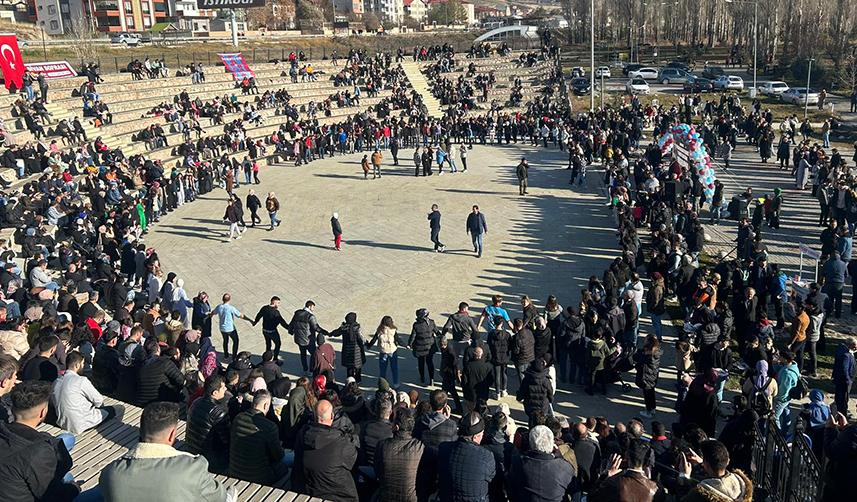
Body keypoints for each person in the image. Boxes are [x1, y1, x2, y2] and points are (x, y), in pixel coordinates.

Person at [98, 401, 231, 501]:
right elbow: (221, 498)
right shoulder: (193, 468)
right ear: (172, 434)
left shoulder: (110, 473)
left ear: (141, 430)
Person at [0, 380, 79, 502]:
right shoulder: (39, 451)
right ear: (43, 412)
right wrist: (74, 488)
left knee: (68, 438)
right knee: (97, 490)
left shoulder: (3, 426)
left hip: (12, 478)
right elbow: (52, 497)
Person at [292, 399, 359, 502]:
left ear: (314, 416)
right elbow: (353, 461)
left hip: (305, 490)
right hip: (339, 496)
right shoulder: (341, 442)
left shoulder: (302, 434)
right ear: (332, 416)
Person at [52, 352, 122, 433]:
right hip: (82, 424)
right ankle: (112, 432)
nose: (83, 366)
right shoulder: (81, 380)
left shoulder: (56, 382)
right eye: (83, 364)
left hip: (63, 424)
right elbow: (99, 400)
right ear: (77, 365)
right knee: (119, 408)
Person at [228, 390, 288, 485]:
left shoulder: (238, 418)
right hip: (259, 477)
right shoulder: (269, 427)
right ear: (266, 405)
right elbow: (278, 456)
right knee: (290, 460)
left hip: (235, 470)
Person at [437, 411, 496, 502]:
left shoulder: (444, 448)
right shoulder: (487, 456)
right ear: (475, 437)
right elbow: (492, 477)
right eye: (482, 433)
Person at [509, 425, 575, 502]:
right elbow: (574, 491)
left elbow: (511, 490)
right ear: (552, 444)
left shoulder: (518, 464)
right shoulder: (565, 467)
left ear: (530, 444)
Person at [375, 407, 425, 502]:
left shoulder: (382, 445)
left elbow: (378, 471)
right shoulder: (419, 447)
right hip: (410, 498)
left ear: (396, 427)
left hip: (385, 497)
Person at [677, 439, 753, 502]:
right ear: (728, 461)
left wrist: (683, 476)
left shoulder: (699, 495)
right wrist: (702, 463)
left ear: (707, 464)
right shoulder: (743, 485)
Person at [185, 374, 231, 474]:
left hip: (192, 448)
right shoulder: (218, 412)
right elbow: (227, 439)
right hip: (209, 458)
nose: (226, 389)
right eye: (223, 388)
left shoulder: (196, 402)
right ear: (215, 393)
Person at [590, 439, 661, 502]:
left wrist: (606, 475)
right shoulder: (656, 489)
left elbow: (592, 498)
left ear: (626, 455)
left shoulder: (615, 483)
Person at [210, 293, 252, 362]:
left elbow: (213, 312)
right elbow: (241, 315)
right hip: (230, 329)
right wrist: (250, 320)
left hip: (222, 328)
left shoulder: (219, 307)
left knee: (225, 340)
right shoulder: (231, 308)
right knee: (236, 341)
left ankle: (226, 355)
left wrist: (210, 317)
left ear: (222, 299)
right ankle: (234, 357)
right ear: (229, 300)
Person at [289, 300, 325, 374]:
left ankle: (305, 369)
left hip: (299, 338)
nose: (313, 309)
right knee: (313, 354)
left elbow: (292, 323)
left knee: (303, 354)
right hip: (308, 340)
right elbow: (316, 327)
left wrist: (290, 331)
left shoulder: (297, 313)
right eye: (313, 307)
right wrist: (325, 332)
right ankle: (311, 370)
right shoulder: (310, 316)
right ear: (310, 306)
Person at [329, 312, 366, 382]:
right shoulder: (357, 328)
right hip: (357, 352)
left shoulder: (344, 328)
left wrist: (330, 333)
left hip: (347, 351)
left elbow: (336, 333)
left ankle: (349, 381)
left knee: (349, 368)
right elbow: (361, 339)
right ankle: (358, 380)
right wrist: (367, 345)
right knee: (358, 367)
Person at [252, 296, 290, 363]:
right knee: (278, 344)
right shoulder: (276, 312)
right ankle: (275, 359)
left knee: (268, 344)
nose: (278, 305)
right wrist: (290, 329)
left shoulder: (264, 308)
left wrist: (255, 322)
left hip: (264, 331)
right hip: (272, 332)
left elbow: (259, 315)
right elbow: (282, 323)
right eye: (278, 303)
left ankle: (267, 359)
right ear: (274, 302)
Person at [408, 308, 440, 385]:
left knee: (421, 363)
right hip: (430, 346)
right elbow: (437, 332)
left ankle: (422, 378)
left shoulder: (416, 325)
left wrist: (409, 344)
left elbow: (413, 336)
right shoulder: (431, 322)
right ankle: (431, 379)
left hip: (420, 347)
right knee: (430, 362)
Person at [367, 316, 400, 388]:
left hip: (383, 351)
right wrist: (406, 345)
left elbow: (374, 340)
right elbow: (398, 339)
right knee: (394, 368)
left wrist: (369, 345)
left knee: (383, 370)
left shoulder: (379, 330)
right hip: (392, 351)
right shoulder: (393, 330)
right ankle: (396, 383)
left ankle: (382, 384)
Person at [772, 349, 800, 431]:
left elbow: (784, 390)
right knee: (785, 414)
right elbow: (780, 370)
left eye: (780, 356)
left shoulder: (788, 374)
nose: (779, 357)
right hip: (787, 398)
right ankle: (785, 430)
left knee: (775, 418)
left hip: (782, 399)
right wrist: (775, 364)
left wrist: (777, 398)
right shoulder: (791, 366)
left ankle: (778, 434)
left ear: (785, 359)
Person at [634, 334, 661, 418]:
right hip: (652, 376)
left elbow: (636, 358)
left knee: (647, 395)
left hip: (646, 377)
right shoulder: (656, 351)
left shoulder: (648, 355)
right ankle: (653, 408)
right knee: (651, 393)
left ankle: (648, 411)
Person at [462, 346, 494, 413]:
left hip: (471, 394)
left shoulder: (468, 366)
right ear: (481, 355)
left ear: (473, 354)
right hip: (483, 393)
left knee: (472, 412)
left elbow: (464, 381)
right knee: (483, 411)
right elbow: (491, 380)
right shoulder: (488, 366)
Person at [832, 337, 856, 419]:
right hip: (844, 382)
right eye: (855, 345)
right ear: (850, 345)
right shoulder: (846, 355)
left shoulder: (845, 351)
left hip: (842, 380)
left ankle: (840, 412)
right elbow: (844, 369)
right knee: (843, 399)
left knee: (841, 398)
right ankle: (842, 415)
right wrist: (848, 380)